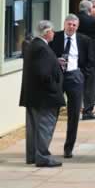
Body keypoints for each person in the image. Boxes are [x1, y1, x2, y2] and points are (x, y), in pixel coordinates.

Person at [19, 21, 65, 167]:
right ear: (46, 32)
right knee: (45, 127)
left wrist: (55, 62)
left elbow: (40, 67)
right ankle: (43, 157)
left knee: (33, 128)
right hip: (45, 98)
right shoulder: (42, 48)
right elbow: (43, 74)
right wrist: (54, 89)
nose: (54, 33)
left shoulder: (34, 45)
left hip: (33, 96)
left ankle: (33, 156)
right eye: (52, 31)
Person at [49, 14, 95, 159]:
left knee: (74, 114)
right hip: (57, 77)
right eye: (69, 24)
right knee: (52, 111)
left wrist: (82, 75)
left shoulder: (84, 40)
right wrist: (55, 61)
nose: (71, 27)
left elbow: (90, 61)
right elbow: (47, 55)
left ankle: (68, 148)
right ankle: (44, 146)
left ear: (77, 26)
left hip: (75, 76)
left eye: (74, 25)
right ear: (64, 24)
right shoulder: (55, 37)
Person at [76, 0, 95, 120]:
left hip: (76, 55)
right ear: (89, 9)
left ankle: (75, 109)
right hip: (91, 56)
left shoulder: (74, 19)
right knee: (90, 84)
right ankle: (87, 111)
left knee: (75, 82)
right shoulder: (94, 21)